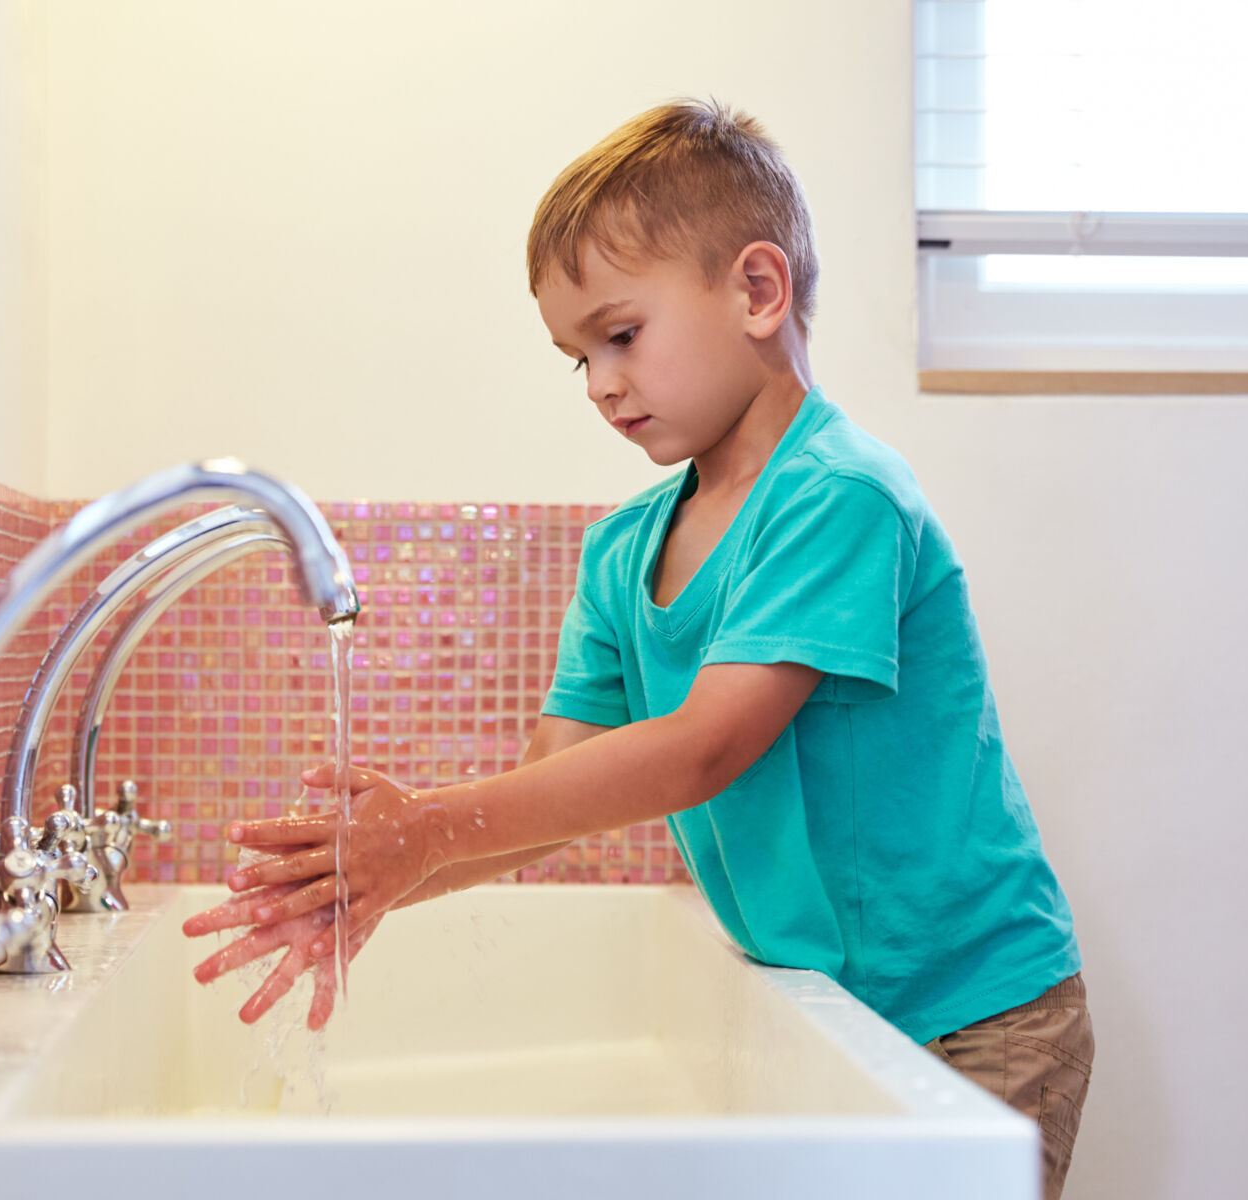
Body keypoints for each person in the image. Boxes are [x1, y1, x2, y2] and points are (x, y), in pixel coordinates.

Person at [182, 98, 1093, 1198]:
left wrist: (418, 831)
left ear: (760, 292)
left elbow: (704, 749)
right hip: (829, 1007)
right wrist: (377, 879)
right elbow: (551, 788)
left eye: (621, 335)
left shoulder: (837, 495)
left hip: (970, 1013)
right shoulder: (623, 552)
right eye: (577, 359)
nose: (603, 383)